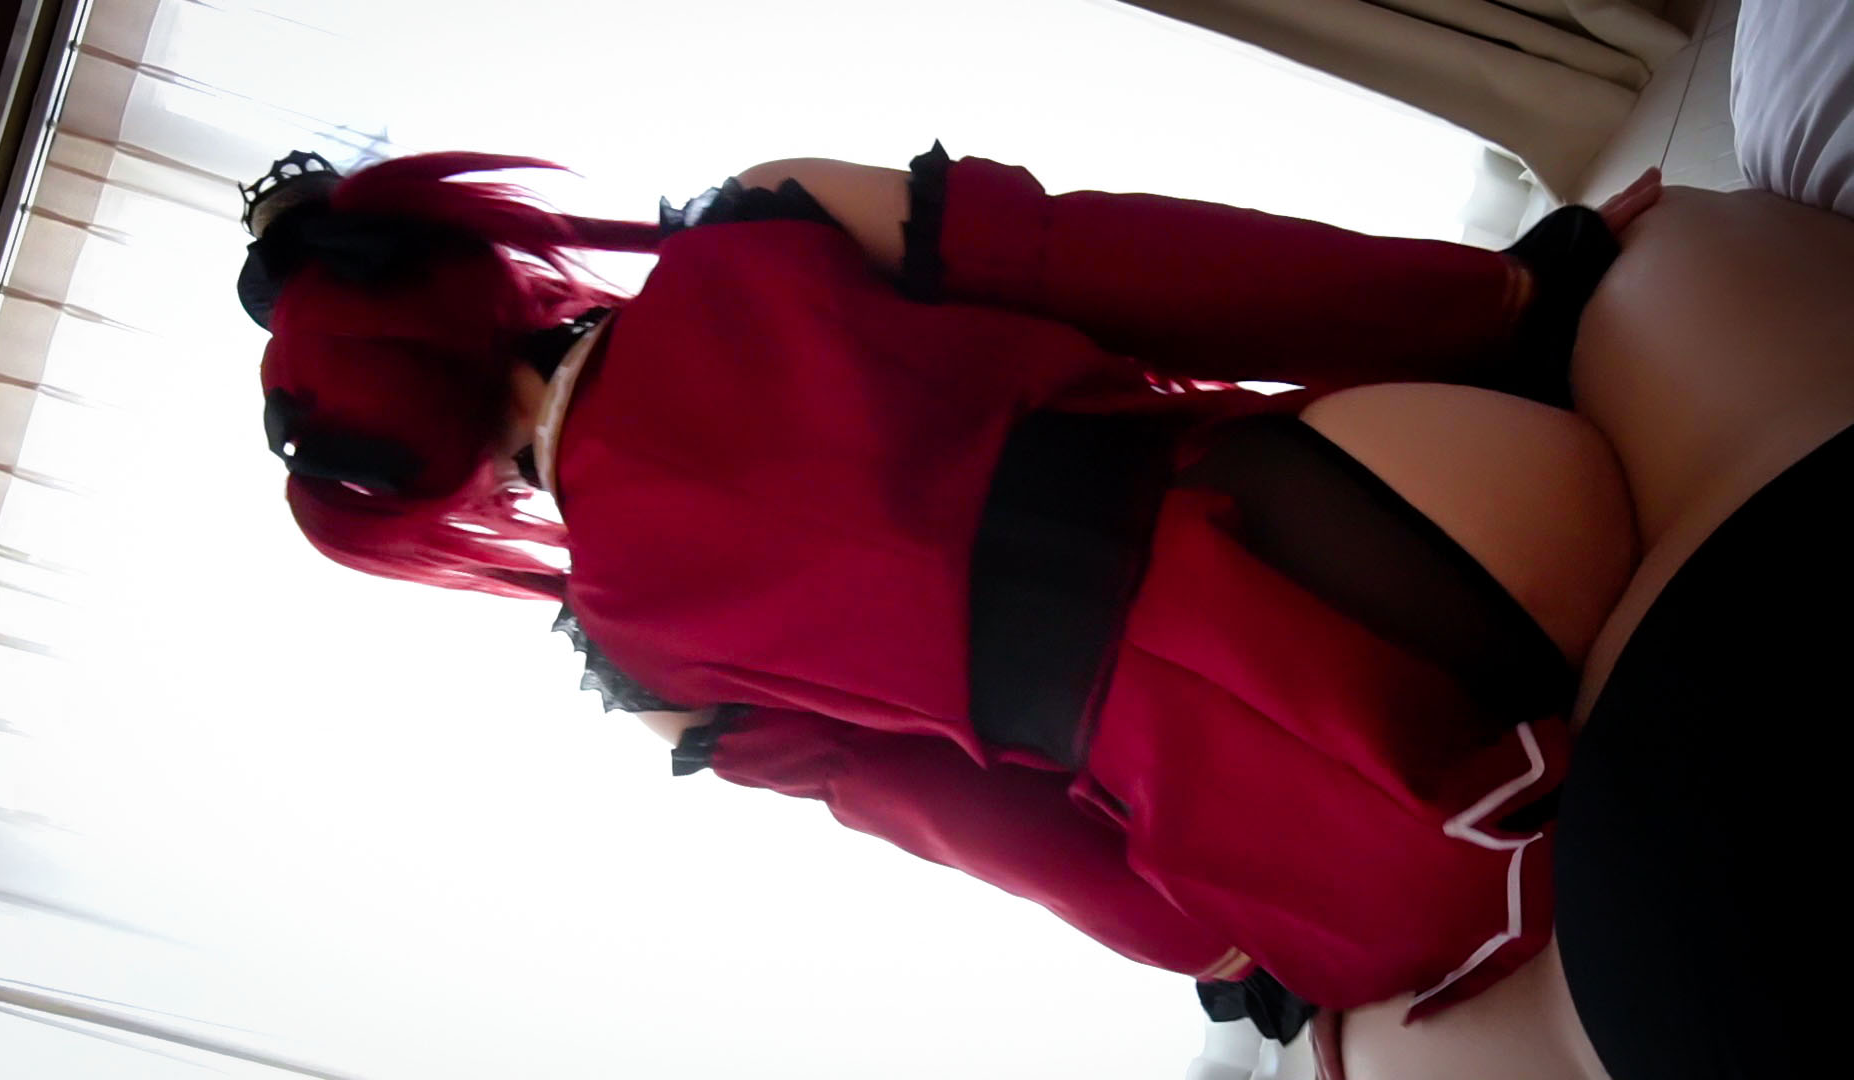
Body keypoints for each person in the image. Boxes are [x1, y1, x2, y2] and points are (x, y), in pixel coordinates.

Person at [235, 143, 1658, 1027]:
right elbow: (1149, 266)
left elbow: (971, 821)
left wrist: (1225, 947)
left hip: (1327, 804)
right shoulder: (768, 219)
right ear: (476, 270)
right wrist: (1512, 301)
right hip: (1420, 496)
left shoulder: (642, 661)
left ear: (429, 489)